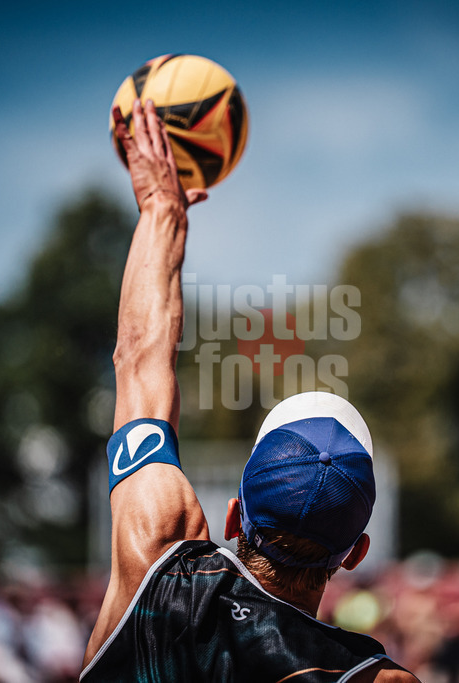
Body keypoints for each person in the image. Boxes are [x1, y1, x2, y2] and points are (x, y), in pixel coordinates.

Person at [79, 98, 418, 682]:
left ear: (233, 516)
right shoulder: (372, 679)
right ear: (356, 555)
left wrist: (162, 209)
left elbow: (138, 359)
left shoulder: (156, 559)